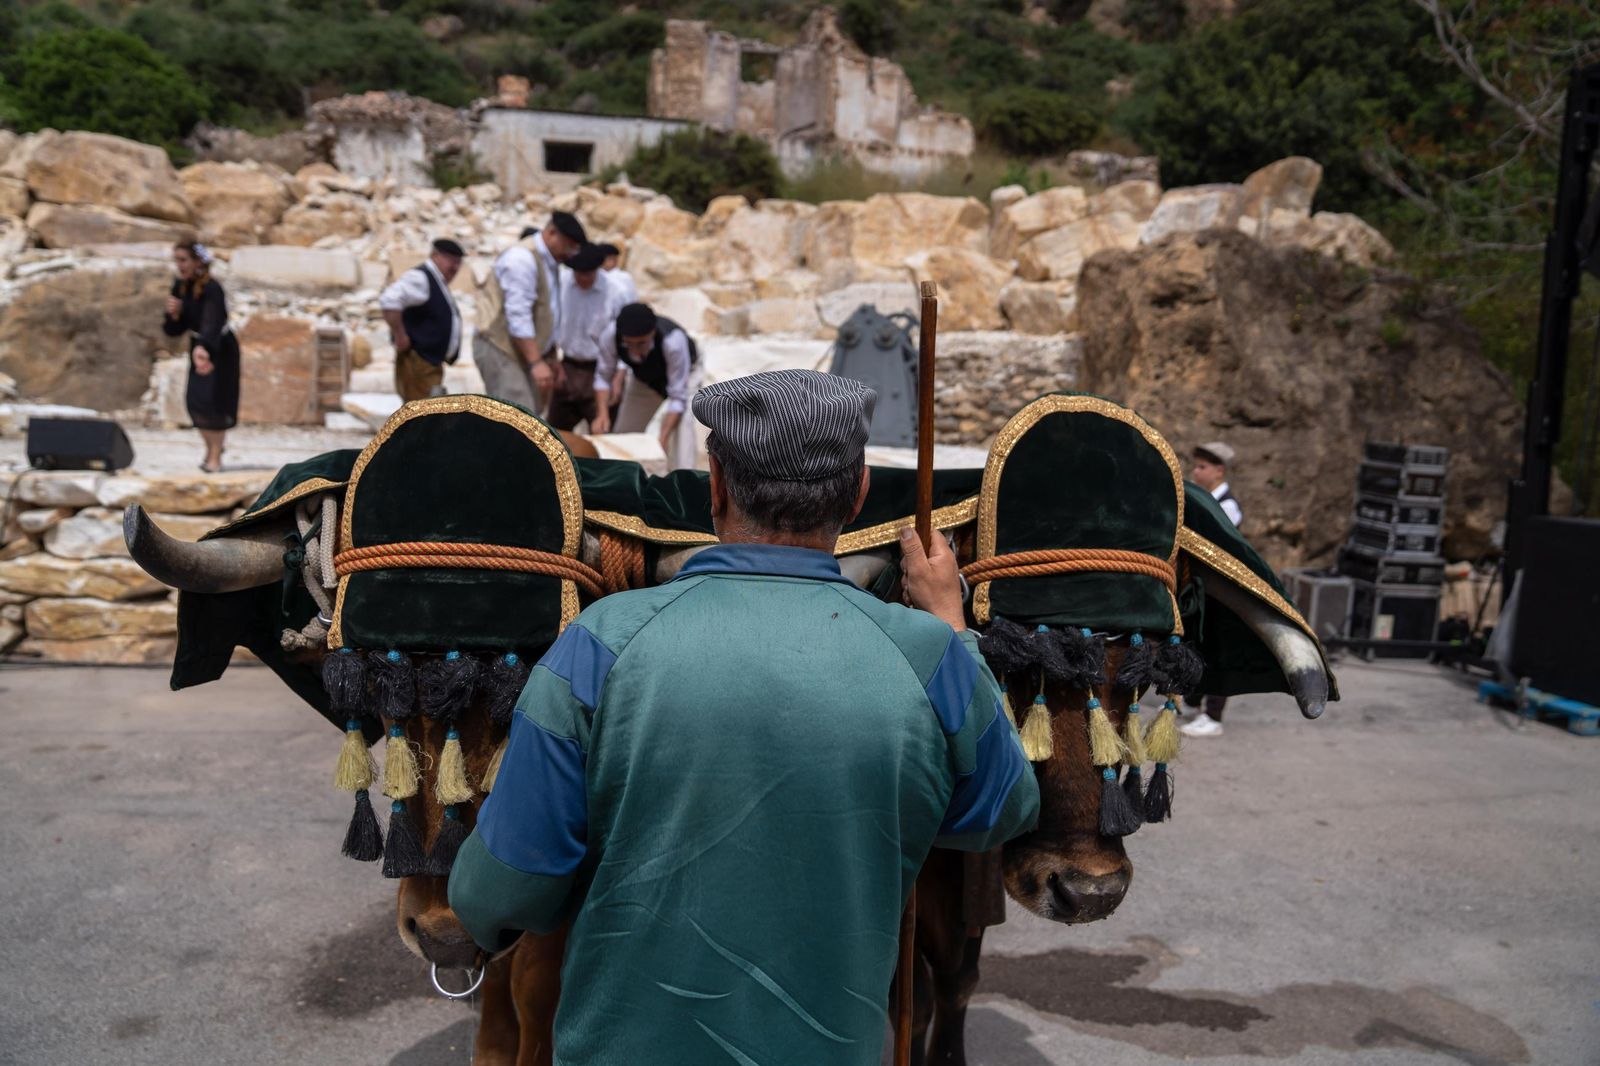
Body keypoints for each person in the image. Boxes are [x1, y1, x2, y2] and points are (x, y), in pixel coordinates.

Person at [449, 368, 1038, 1066]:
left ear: (716, 486)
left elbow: (501, 889)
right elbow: (1001, 810)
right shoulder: (929, 659)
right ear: (854, 496)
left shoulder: (599, 645)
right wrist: (953, 628)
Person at [474, 212, 585, 414]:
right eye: (569, 246)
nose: (571, 253)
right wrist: (536, 362)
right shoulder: (521, 259)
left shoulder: (549, 263)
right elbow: (519, 316)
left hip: (525, 351)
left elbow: (546, 313)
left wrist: (550, 356)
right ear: (552, 233)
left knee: (532, 415)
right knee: (516, 420)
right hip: (502, 348)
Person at [592, 302, 701, 469]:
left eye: (641, 343)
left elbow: (677, 397)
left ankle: (685, 480)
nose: (635, 350)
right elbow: (603, 376)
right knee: (623, 435)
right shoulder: (611, 335)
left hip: (686, 376)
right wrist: (602, 414)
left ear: (653, 332)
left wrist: (662, 439)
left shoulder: (673, 341)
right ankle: (619, 479)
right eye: (629, 344)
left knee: (682, 436)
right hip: (644, 378)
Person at [163, 240, 240, 473]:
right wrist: (174, 315)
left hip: (219, 349)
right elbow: (174, 330)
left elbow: (213, 321)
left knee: (214, 403)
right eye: (176, 260)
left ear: (197, 261)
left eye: (183, 260)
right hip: (199, 345)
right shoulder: (181, 286)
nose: (179, 265)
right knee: (196, 403)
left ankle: (215, 456)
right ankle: (211, 450)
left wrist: (204, 349)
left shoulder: (212, 288)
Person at [1183, 440, 1243, 737]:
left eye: (1202, 467)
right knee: (1198, 644)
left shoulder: (1228, 507)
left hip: (1219, 591)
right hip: (1202, 588)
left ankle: (1214, 715)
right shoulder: (1206, 500)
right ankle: (1193, 703)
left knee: (1217, 651)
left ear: (1219, 471)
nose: (1196, 472)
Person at [546, 243, 623, 432]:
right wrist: (553, 361)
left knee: (602, 431)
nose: (582, 279)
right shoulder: (562, 284)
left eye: (587, 274)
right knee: (552, 434)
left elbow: (624, 338)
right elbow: (550, 325)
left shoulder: (614, 291)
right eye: (578, 274)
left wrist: (618, 378)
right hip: (568, 367)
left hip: (602, 370)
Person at [379, 238, 464, 403]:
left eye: (458, 263)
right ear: (435, 256)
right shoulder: (420, 278)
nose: (454, 268)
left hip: (429, 363)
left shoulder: (437, 280)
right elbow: (389, 301)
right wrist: (400, 335)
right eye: (450, 260)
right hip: (419, 361)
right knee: (421, 416)